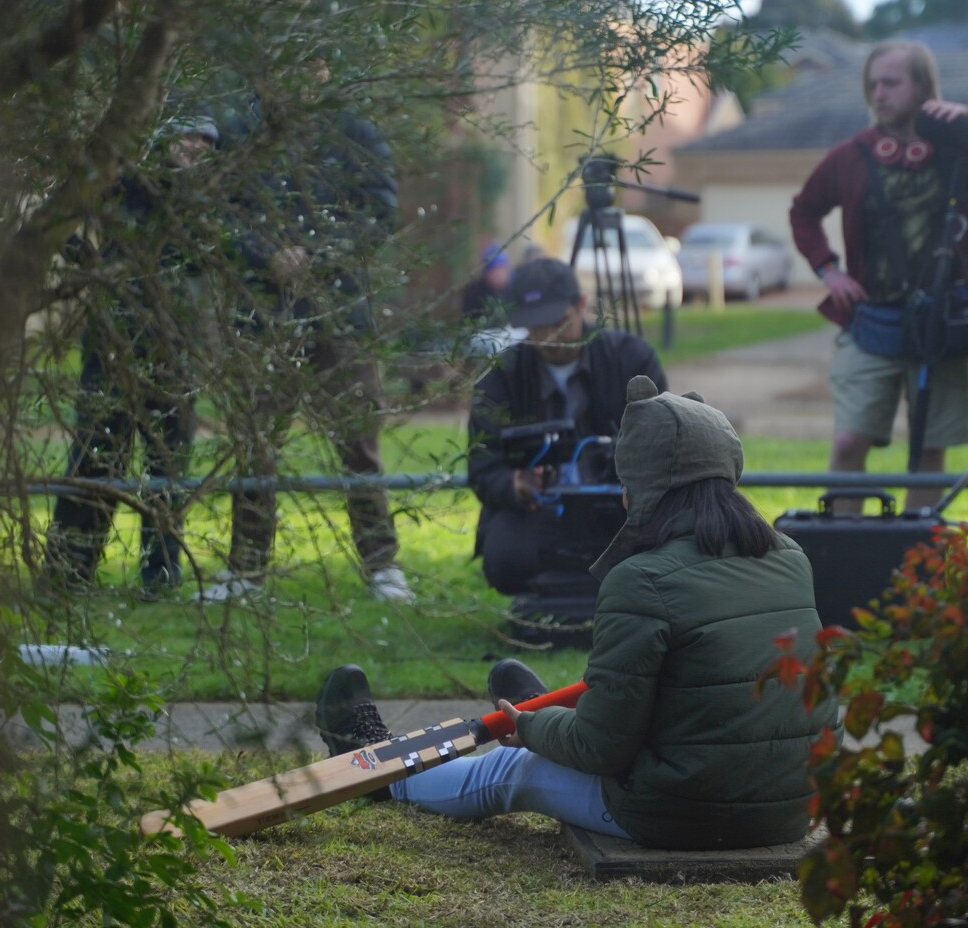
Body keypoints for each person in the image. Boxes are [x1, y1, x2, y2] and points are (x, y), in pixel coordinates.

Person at [316, 375, 836, 848]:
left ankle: (387, 774)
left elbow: (601, 749)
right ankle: (551, 715)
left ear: (642, 487)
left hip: (680, 814)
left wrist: (534, 730)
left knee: (507, 769)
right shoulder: (789, 557)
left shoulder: (641, 580)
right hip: (791, 811)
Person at [789, 41, 968, 508]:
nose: (879, 94)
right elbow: (804, 211)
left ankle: (914, 559)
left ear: (923, 87)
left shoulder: (961, 152)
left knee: (929, 450)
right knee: (850, 442)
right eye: (872, 84)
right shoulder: (851, 156)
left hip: (943, 324)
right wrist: (828, 270)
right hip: (870, 320)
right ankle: (841, 546)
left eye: (891, 82)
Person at [224, 99, 413, 603]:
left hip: (340, 312)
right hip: (264, 313)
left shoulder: (357, 132)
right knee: (255, 439)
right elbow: (224, 212)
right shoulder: (246, 130)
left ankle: (381, 566)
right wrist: (267, 257)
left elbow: (379, 214)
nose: (309, 70)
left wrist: (317, 255)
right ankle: (244, 570)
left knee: (358, 443)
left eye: (318, 59)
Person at [42, 116, 218, 595]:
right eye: (188, 134)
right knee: (95, 457)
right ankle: (68, 569)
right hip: (113, 342)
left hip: (175, 348)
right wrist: (88, 261)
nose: (196, 146)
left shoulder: (214, 199)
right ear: (165, 137)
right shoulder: (125, 185)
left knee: (166, 465)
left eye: (206, 139)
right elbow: (55, 214)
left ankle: (160, 575)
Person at [467, 257, 665, 597]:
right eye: (534, 326)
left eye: (557, 322)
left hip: (622, 507)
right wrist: (516, 484)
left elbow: (667, 445)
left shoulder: (632, 359)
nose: (547, 336)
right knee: (505, 557)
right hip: (538, 511)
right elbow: (483, 468)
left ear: (582, 306)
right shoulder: (499, 377)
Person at [459, 240, 512, 327]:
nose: (500, 275)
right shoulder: (474, 293)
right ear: (486, 273)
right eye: (496, 271)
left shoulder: (512, 290)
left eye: (502, 269)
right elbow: (466, 322)